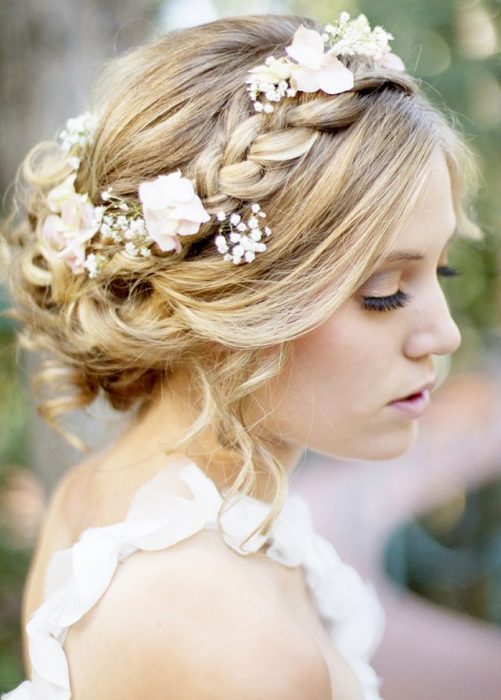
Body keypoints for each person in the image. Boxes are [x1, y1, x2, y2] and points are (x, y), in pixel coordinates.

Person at [1, 11, 482, 700]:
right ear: (233, 302)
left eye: (441, 272)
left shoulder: (104, 495)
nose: (441, 335)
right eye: (381, 292)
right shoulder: (236, 643)